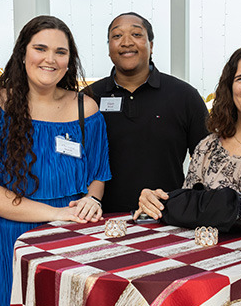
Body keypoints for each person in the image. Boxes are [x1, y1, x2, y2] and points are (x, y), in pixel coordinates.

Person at [0, 15, 111, 306]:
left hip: (69, 240)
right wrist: (56, 213)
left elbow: (98, 175)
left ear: (69, 60)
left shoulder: (86, 109)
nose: (50, 59)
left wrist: (92, 200)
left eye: (60, 52)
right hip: (3, 243)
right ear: (22, 53)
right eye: (41, 48)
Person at [136, 45, 241, 219]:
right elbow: (189, 208)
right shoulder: (208, 149)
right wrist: (156, 200)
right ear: (229, 89)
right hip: (213, 246)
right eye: (240, 78)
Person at [86, 12, 209, 213]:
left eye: (136, 34)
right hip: (100, 219)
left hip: (168, 218)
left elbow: (207, 163)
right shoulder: (89, 98)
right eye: (117, 36)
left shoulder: (184, 96)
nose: (126, 42)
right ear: (109, 49)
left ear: (151, 46)